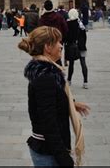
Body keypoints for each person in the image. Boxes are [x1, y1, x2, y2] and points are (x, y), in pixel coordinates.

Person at [18, 26, 90, 167]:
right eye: (58, 42)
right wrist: (64, 158)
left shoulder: (47, 72)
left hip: (49, 149)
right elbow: (48, 122)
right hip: (48, 151)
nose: (61, 46)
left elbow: (50, 100)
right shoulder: (46, 77)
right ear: (47, 47)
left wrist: (71, 103)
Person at [65, 9, 88, 88]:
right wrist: (83, 44)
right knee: (83, 63)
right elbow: (84, 36)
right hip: (81, 46)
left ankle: (69, 80)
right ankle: (85, 82)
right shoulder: (80, 24)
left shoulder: (68, 24)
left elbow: (66, 36)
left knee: (71, 64)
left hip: (72, 46)